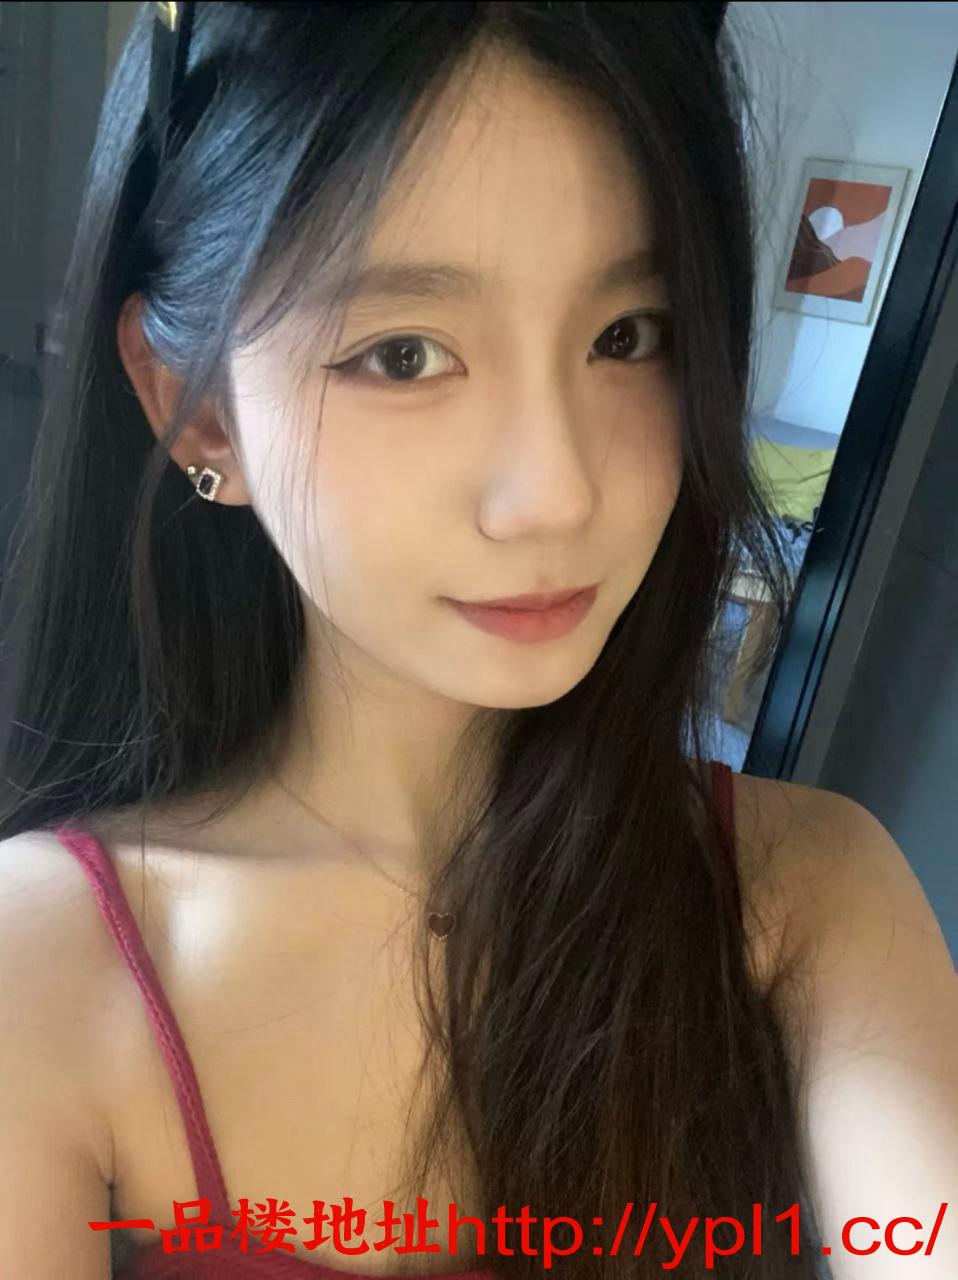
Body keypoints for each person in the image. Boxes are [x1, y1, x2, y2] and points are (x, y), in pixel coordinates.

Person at [0, 3, 954, 1278]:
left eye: (627, 336)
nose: (556, 493)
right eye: (404, 354)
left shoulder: (804, 899)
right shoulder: (47, 964)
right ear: (201, 411)